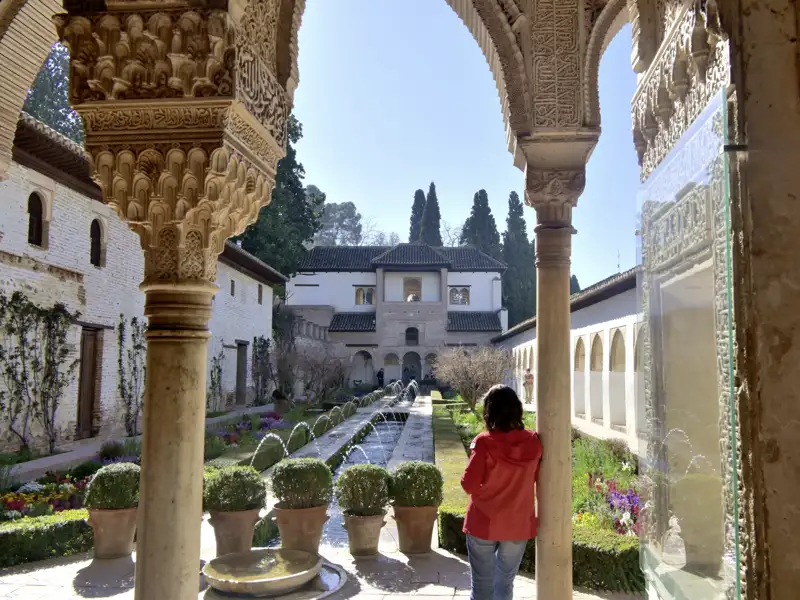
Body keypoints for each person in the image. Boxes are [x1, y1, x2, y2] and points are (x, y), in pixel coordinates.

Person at [461, 385, 542, 600]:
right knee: (505, 585)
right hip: (517, 523)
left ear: (490, 411)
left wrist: (484, 492)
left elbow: (468, 484)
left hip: (483, 523)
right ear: (517, 409)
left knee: (481, 588)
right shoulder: (534, 442)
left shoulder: (484, 443)